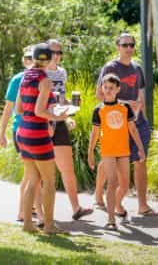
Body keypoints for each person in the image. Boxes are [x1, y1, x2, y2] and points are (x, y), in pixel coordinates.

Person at [94, 32, 158, 217]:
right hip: (115, 124)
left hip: (137, 123)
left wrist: (144, 119)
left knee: (140, 159)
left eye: (131, 45)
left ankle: (142, 205)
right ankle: (99, 195)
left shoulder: (137, 68)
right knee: (110, 161)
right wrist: (123, 103)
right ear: (118, 47)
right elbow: (99, 95)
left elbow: (140, 96)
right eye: (125, 45)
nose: (129, 48)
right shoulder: (110, 67)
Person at [15, 43, 69, 234]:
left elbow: (19, 109)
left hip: (23, 132)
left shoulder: (25, 77)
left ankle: (28, 224)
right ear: (50, 58)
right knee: (49, 180)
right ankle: (49, 226)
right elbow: (40, 111)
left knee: (32, 179)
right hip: (38, 134)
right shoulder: (45, 80)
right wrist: (59, 117)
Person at [88, 73, 146, 231]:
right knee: (112, 182)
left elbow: (133, 130)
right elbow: (94, 134)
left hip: (123, 151)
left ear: (118, 89)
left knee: (125, 185)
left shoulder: (125, 107)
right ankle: (111, 219)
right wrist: (90, 153)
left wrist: (141, 149)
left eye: (111, 88)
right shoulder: (98, 110)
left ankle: (116, 203)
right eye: (105, 87)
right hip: (108, 151)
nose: (107, 90)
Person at [45, 39, 92, 221]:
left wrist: (70, 114)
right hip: (44, 122)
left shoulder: (62, 73)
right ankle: (36, 211)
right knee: (43, 170)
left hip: (60, 121)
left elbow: (61, 100)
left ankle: (76, 208)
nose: (56, 56)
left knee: (68, 168)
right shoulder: (39, 73)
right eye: (52, 52)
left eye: (59, 52)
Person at [0, 45, 44, 225]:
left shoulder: (41, 78)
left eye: (32, 58)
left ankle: (23, 213)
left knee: (30, 174)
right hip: (23, 129)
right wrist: (1, 133)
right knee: (34, 174)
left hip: (36, 129)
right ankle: (38, 215)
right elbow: (9, 108)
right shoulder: (18, 79)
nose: (29, 61)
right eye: (26, 58)